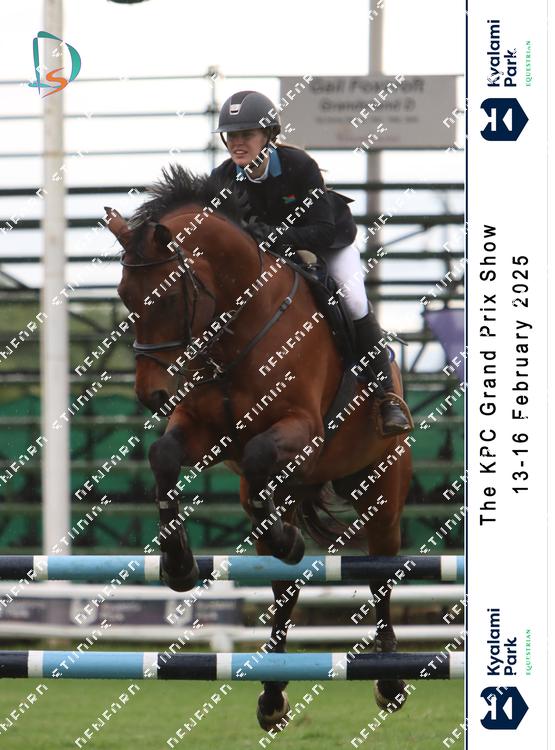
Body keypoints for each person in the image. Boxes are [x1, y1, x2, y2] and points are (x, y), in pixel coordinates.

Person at [210, 90, 411, 436]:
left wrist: (275, 235)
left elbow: (322, 230)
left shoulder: (299, 166)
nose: (237, 143)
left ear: (269, 136)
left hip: (328, 243)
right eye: (231, 135)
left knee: (353, 300)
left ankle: (386, 396)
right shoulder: (222, 178)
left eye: (246, 134)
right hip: (269, 255)